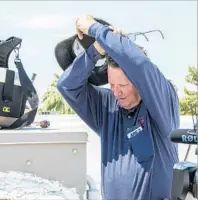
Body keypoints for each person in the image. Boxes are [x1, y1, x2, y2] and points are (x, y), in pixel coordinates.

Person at [57, 14, 180, 200]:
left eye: (122, 86)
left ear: (140, 83)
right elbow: (66, 86)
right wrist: (96, 50)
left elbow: (139, 65)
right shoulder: (106, 107)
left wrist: (97, 30)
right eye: (112, 85)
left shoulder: (161, 101)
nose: (116, 92)